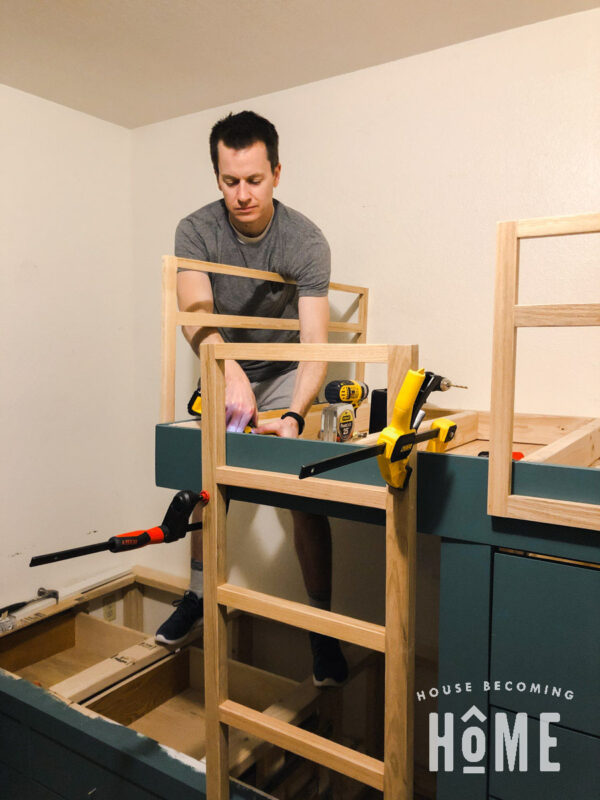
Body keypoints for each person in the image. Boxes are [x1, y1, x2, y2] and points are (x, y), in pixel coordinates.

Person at [155, 110, 348, 687]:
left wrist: (293, 414)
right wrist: (229, 372)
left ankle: (322, 630)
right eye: (230, 180)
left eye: (254, 180)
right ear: (217, 177)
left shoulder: (305, 240)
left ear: (277, 173)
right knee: (207, 485)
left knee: (305, 495)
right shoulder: (195, 229)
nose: (242, 194)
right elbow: (196, 318)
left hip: (289, 371)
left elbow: (315, 343)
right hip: (224, 364)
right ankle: (195, 598)